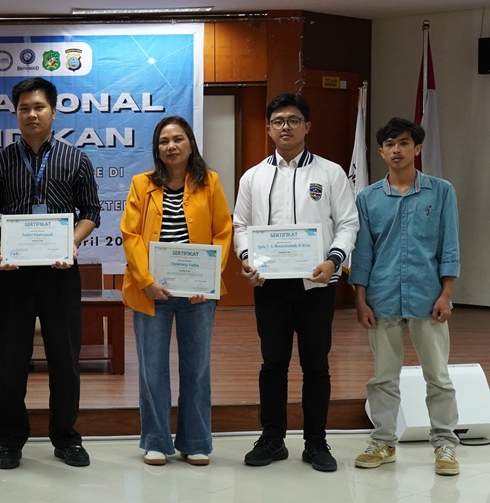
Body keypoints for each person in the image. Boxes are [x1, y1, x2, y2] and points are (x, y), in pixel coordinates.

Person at [232, 93, 359, 472]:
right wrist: (246, 257)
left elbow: (348, 222)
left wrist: (333, 260)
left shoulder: (330, 173)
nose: (285, 127)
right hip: (269, 284)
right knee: (273, 363)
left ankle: (316, 441)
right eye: (278, 121)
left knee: (315, 364)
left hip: (316, 282)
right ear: (268, 129)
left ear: (307, 126)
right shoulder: (253, 176)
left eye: (292, 120)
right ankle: (272, 438)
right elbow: (240, 225)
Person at [0, 77, 100, 470]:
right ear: (16, 114)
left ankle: (66, 438)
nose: (31, 114)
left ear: (53, 111)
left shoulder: (76, 159)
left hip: (59, 272)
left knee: (64, 359)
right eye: (24, 108)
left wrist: (70, 243)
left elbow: (91, 213)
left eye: (39, 107)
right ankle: (9, 440)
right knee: (8, 360)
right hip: (11, 273)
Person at [350, 117, 460, 476]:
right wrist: (360, 299)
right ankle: (383, 441)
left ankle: (444, 444)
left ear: (417, 148)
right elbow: (363, 253)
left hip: (428, 298)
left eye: (403, 143)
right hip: (381, 297)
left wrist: (446, 294)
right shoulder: (367, 198)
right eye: (389, 144)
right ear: (381, 152)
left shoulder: (441, 192)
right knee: (383, 377)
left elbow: (449, 247)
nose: (396, 149)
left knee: (438, 376)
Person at [121, 116, 232, 466]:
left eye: (178, 139)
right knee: (152, 368)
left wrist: (207, 280)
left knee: (197, 368)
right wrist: (146, 281)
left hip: (197, 294)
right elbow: (130, 235)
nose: (171, 146)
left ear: (190, 144)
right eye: (164, 141)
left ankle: (196, 441)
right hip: (151, 291)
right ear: (157, 148)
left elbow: (223, 232)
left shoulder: (209, 182)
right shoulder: (142, 184)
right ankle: (156, 440)